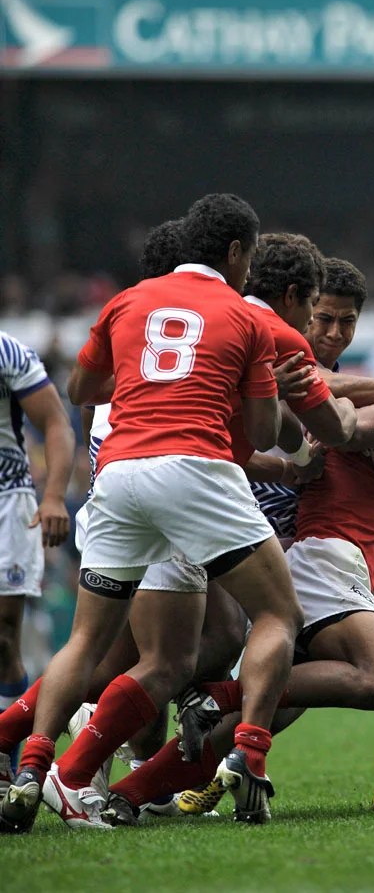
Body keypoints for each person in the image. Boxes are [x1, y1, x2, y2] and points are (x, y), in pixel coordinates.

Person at [0, 192, 305, 835]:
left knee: (91, 643)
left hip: (117, 476)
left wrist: (145, 384)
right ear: (234, 253)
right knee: (273, 615)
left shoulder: (125, 304)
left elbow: (81, 392)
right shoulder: (243, 316)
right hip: (191, 471)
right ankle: (247, 748)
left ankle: (33, 765)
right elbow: (261, 427)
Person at [99, 415, 374, 825]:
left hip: (336, 576)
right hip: (322, 562)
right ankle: (217, 698)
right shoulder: (364, 435)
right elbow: (340, 408)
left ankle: (130, 794)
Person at [0, 332, 75, 794]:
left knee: (4, 635)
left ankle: (4, 760)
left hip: (7, 501)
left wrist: (52, 497)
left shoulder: (8, 351)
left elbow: (56, 423)